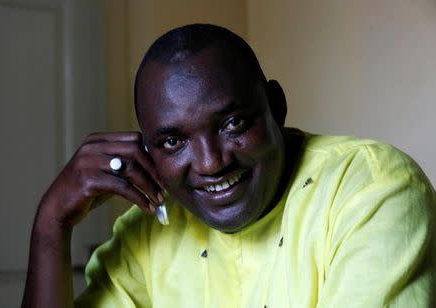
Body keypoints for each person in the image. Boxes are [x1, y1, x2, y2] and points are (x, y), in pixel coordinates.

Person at [22, 24, 435, 307]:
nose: (210, 163)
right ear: (148, 151)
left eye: (232, 123)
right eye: (172, 141)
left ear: (276, 107)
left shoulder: (371, 189)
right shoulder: (146, 233)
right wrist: (50, 227)